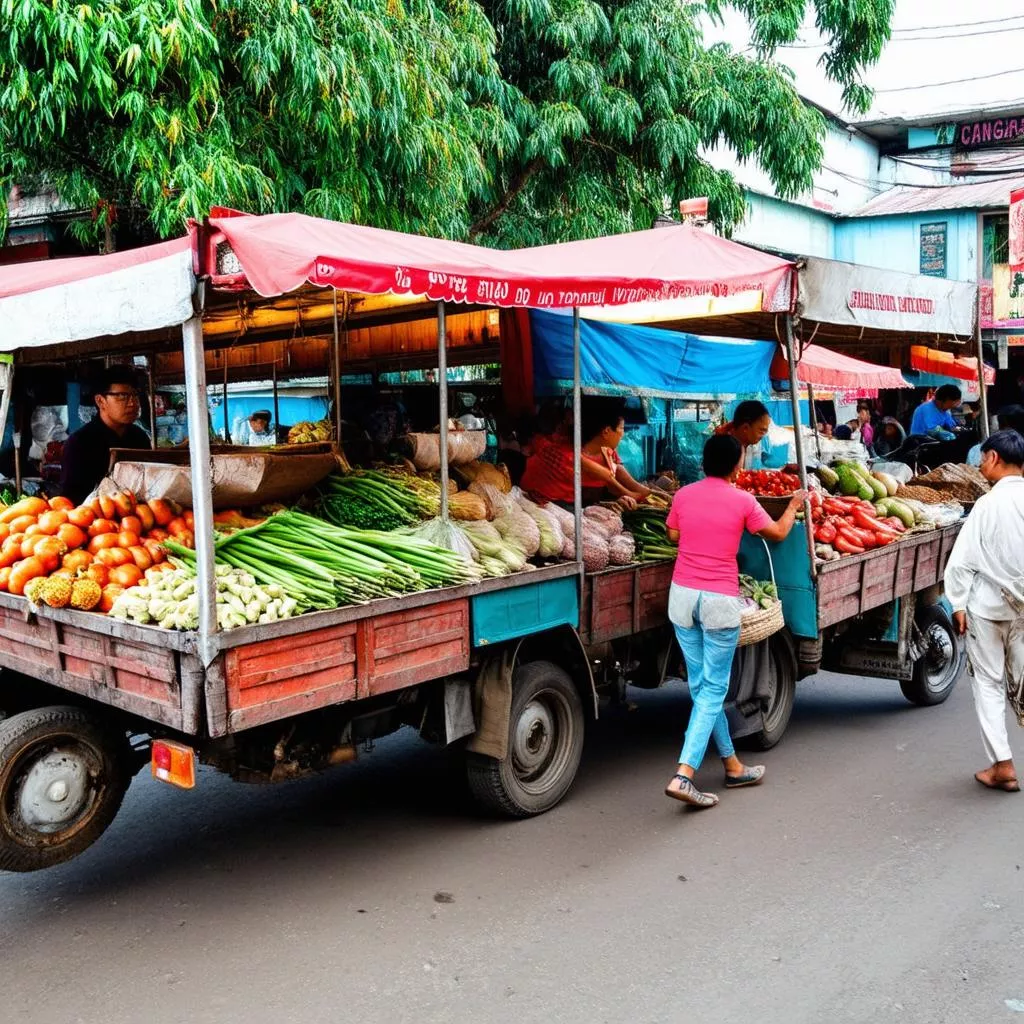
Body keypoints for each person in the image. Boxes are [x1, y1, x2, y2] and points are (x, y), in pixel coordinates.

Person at [662, 434, 805, 809]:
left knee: (703, 689)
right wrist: (792, 505)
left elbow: (673, 534)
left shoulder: (683, 495)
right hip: (718, 603)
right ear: (737, 465)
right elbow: (776, 533)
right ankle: (684, 774)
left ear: (704, 461)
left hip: (682, 598)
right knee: (711, 691)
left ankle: (732, 764)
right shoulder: (743, 500)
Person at [944, 429, 1024, 793]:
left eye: (982, 457)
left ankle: (1003, 766)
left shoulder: (987, 504)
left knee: (989, 685)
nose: (979, 464)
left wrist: (957, 602)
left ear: (993, 458)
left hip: (988, 609)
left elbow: (962, 560)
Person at [521, 396, 652, 509]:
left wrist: (642, 492)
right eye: (621, 428)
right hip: (546, 508)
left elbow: (614, 472)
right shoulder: (564, 455)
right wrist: (632, 495)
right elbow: (606, 477)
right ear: (606, 431)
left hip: (572, 507)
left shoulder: (605, 451)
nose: (623, 434)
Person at [59, 367, 150, 505]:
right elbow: (70, 500)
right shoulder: (80, 443)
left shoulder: (140, 438)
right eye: (122, 396)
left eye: (135, 395)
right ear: (100, 401)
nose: (132, 403)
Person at [716, 400, 771, 468]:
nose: (763, 436)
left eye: (765, 431)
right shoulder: (720, 447)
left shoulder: (755, 445)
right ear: (745, 428)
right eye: (761, 431)